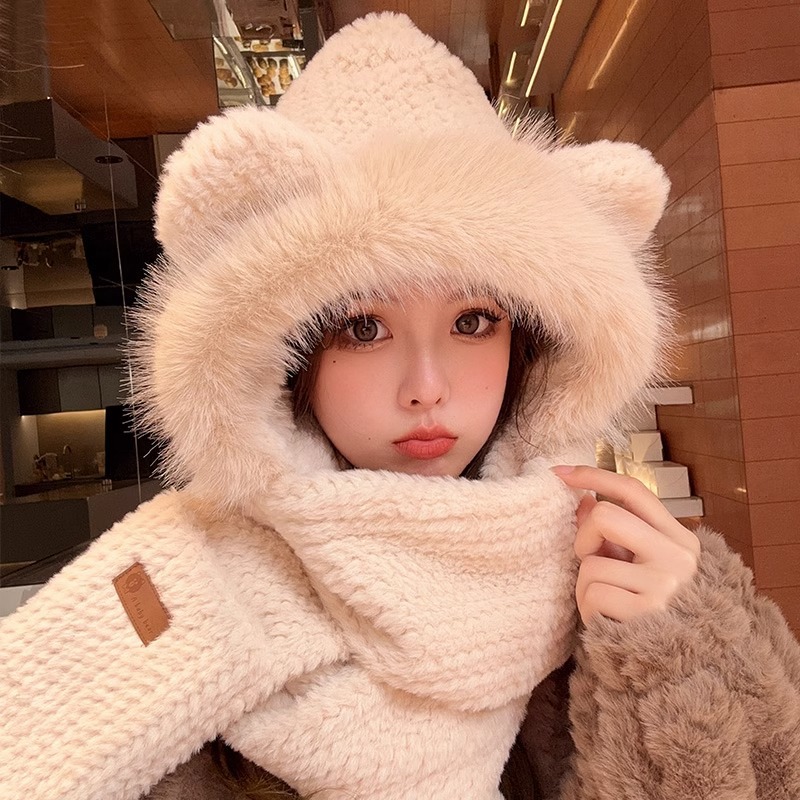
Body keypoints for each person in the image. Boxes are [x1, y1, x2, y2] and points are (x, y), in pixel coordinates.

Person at [1, 12, 798, 800]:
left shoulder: (635, 580)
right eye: (363, 327)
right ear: (281, 355)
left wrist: (679, 662)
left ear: (533, 342)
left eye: (473, 322)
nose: (426, 387)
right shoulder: (180, 603)